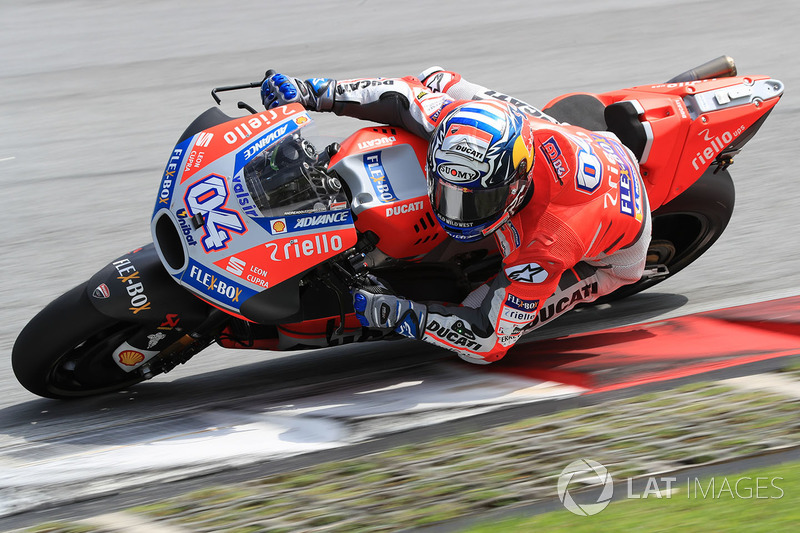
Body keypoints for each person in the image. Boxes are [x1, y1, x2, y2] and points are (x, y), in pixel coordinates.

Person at [261, 68, 651, 364]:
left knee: (471, 327)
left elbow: (488, 341)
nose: (456, 213)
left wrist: (401, 314)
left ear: (515, 185)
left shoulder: (545, 244)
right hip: (562, 139)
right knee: (437, 79)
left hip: (616, 249)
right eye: (447, 193)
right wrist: (311, 92)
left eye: (475, 202)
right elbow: (402, 95)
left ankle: (597, 278)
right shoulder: (459, 125)